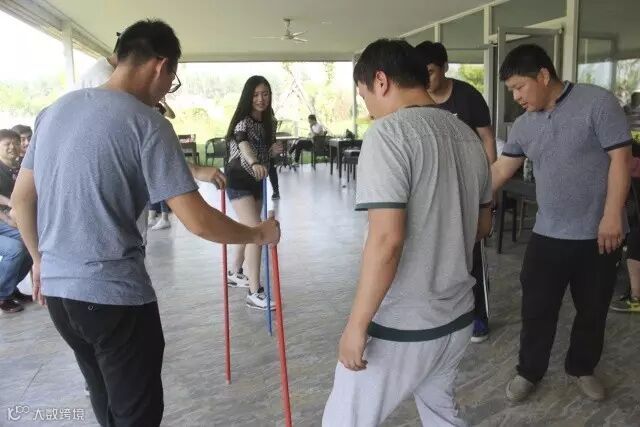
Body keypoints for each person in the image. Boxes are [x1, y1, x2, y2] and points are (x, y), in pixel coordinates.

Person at [11, 20, 280, 426]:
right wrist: (257, 233)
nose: (167, 89)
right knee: (137, 415)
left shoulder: (53, 112)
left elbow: (21, 200)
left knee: (105, 402)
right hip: (114, 299)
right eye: (172, 79)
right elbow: (198, 220)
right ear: (161, 66)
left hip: (60, 297)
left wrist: (37, 259)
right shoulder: (148, 123)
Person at [322, 39, 492, 426]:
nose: (368, 109)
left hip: (405, 324)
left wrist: (356, 326)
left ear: (381, 81)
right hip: (456, 318)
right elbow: (483, 226)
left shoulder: (388, 134)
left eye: (364, 95)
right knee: (441, 414)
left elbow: (387, 241)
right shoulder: (468, 136)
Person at [491, 44, 631, 403]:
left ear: (543, 75)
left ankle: (582, 368)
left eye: (520, 87)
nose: (516, 96)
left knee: (592, 310)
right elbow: (501, 170)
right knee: (536, 309)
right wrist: (463, 200)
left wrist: (612, 215)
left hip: (598, 234)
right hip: (547, 234)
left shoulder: (597, 104)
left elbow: (621, 160)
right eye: (511, 90)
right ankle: (529, 371)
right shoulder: (524, 125)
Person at [415, 41, 497, 343]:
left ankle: (478, 315)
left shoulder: (467, 96)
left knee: (471, 252)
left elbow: (488, 139)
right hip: (434, 190)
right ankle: (441, 312)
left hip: (468, 188)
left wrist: (489, 185)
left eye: (431, 71)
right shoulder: (418, 99)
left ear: (445, 67)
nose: (426, 79)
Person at [225, 75, 284, 310]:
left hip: (257, 180)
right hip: (239, 178)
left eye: (265, 94)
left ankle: (234, 272)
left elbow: (263, 151)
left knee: (247, 228)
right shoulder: (243, 122)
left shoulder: (269, 122)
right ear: (249, 97)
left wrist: (271, 152)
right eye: (256, 94)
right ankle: (254, 291)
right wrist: (254, 161)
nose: (261, 99)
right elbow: (243, 144)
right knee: (256, 232)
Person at [0, 129, 33, 313]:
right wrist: (7, 216)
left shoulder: (21, 166)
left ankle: (9, 288)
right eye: (7, 144)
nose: (12, 147)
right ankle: (2, 295)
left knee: (31, 243)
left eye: (15, 143)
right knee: (15, 249)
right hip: (4, 220)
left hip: (11, 219)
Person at [148, 100, 176, 230]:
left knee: (160, 184)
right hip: (151, 148)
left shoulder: (159, 107)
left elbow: (172, 115)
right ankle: (152, 216)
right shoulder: (143, 105)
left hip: (160, 147)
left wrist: (165, 104)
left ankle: (164, 218)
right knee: (151, 184)